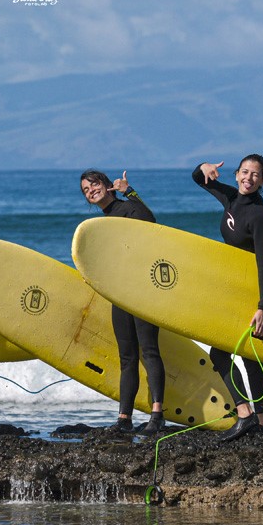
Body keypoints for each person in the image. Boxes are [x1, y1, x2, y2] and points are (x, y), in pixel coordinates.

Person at [192, 156, 263, 441]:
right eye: (244, 172)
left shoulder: (259, 215)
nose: (248, 178)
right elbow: (198, 178)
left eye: (255, 175)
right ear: (237, 173)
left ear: (262, 181)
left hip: (249, 293)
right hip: (231, 289)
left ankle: (246, 415)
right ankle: (262, 424)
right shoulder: (230, 197)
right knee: (247, 357)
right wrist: (203, 166)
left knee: (223, 354)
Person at [80, 169, 166, 434]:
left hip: (142, 291)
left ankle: (157, 415)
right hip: (120, 293)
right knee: (127, 357)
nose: (90, 191)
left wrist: (129, 190)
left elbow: (150, 220)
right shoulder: (103, 222)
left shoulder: (127, 208)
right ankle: (124, 418)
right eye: (85, 190)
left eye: (93, 185)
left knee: (149, 350)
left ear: (107, 186)